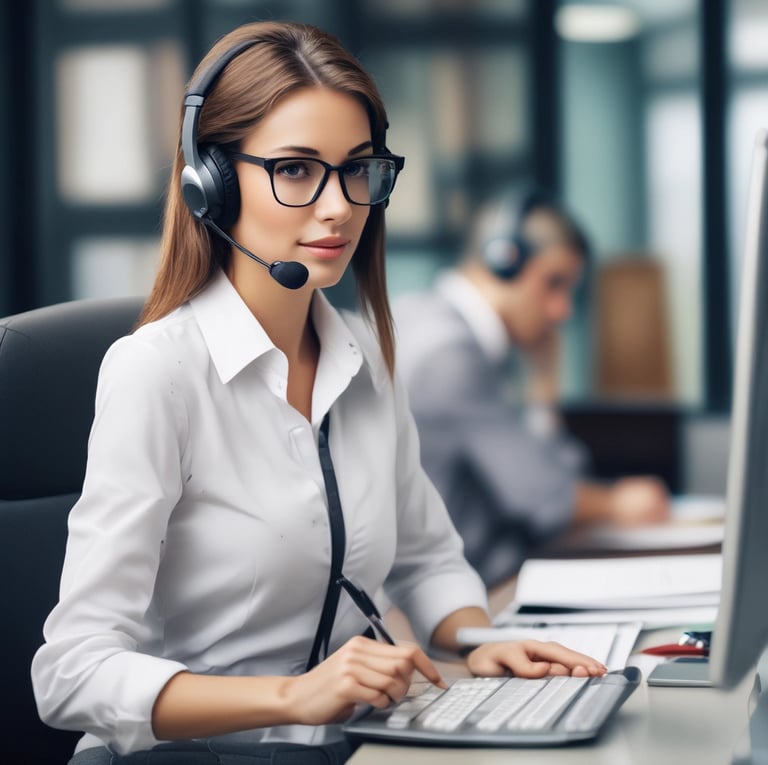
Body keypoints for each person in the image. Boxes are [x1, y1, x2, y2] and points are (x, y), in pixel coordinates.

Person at [30, 21, 607, 765]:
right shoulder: (156, 372)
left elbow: (428, 558)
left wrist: (480, 641)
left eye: (357, 169)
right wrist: (293, 696)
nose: (339, 206)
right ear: (211, 181)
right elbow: (70, 671)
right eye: (297, 170)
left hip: (344, 745)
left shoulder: (366, 354)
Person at [394, 190, 670, 588]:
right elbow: (546, 499)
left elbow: (554, 476)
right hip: (460, 591)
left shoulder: (425, 318)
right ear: (502, 261)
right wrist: (618, 502)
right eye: (553, 283)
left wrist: (541, 382)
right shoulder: (452, 355)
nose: (562, 311)